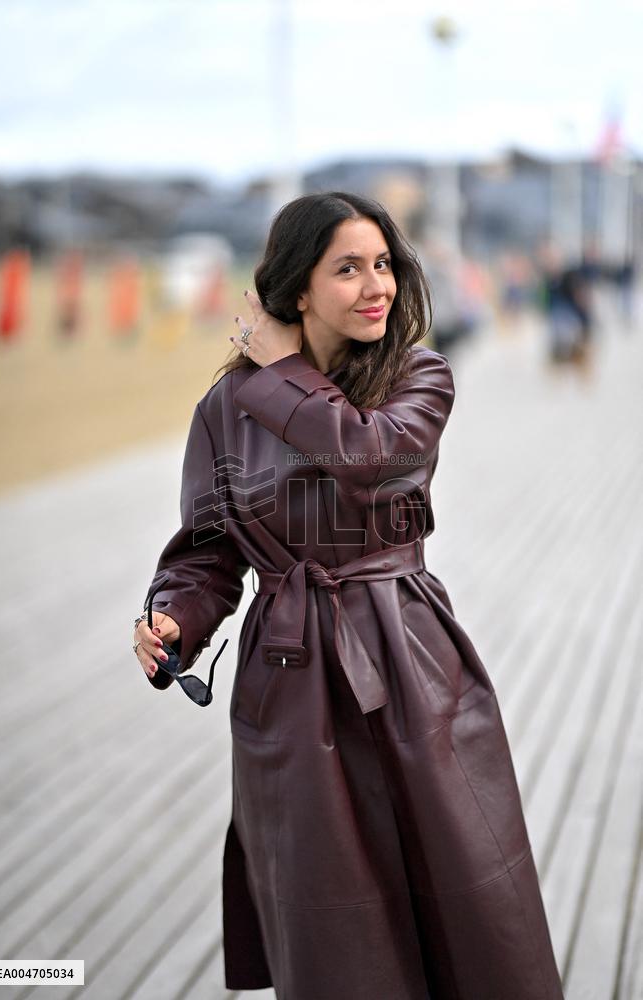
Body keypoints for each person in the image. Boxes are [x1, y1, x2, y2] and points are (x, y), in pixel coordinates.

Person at [132, 192, 565, 999]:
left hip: (411, 663)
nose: (378, 287)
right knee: (334, 923)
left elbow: (371, 460)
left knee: (465, 897)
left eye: (383, 265)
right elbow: (208, 550)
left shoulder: (418, 377)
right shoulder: (227, 408)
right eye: (348, 269)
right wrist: (172, 615)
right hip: (291, 682)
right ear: (297, 289)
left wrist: (281, 374)